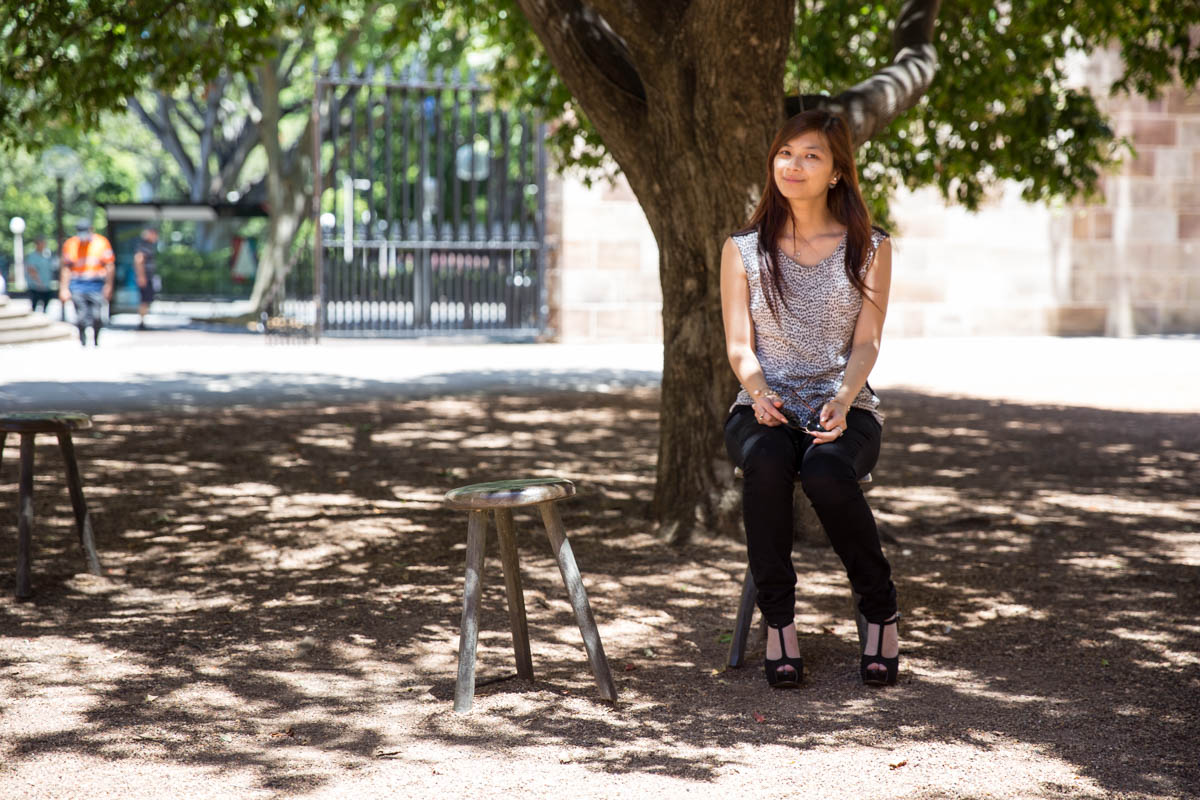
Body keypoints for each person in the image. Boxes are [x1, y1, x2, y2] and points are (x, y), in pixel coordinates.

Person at [720, 109, 898, 689]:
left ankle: (880, 610)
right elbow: (739, 348)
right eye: (785, 153)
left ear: (838, 172)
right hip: (762, 407)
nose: (793, 166)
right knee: (767, 462)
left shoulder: (869, 247)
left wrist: (844, 400)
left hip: (845, 407)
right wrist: (759, 393)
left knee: (825, 473)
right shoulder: (744, 249)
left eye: (811, 155)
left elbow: (868, 343)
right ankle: (779, 624)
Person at [59, 219, 115, 346]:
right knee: (81, 315)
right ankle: (83, 341)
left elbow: (109, 266)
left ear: (91, 230)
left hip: (96, 284)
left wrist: (109, 286)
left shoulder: (102, 243)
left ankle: (95, 339)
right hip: (78, 283)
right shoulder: (71, 244)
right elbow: (66, 268)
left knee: (96, 315)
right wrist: (63, 288)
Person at [132, 226, 159, 330]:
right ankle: (142, 323)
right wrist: (141, 276)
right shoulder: (144, 245)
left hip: (147, 277)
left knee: (146, 300)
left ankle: (143, 321)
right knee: (144, 300)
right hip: (145, 277)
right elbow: (138, 260)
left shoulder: (148, 245)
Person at [25, 235, 58, 313]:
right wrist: (39, 283)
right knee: (34, 306)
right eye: (42, 243)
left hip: (46, 286)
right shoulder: (32, 256)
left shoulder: (47, 256)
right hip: (36, 287)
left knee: (46, 305)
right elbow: (32, 271)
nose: (44, 245)